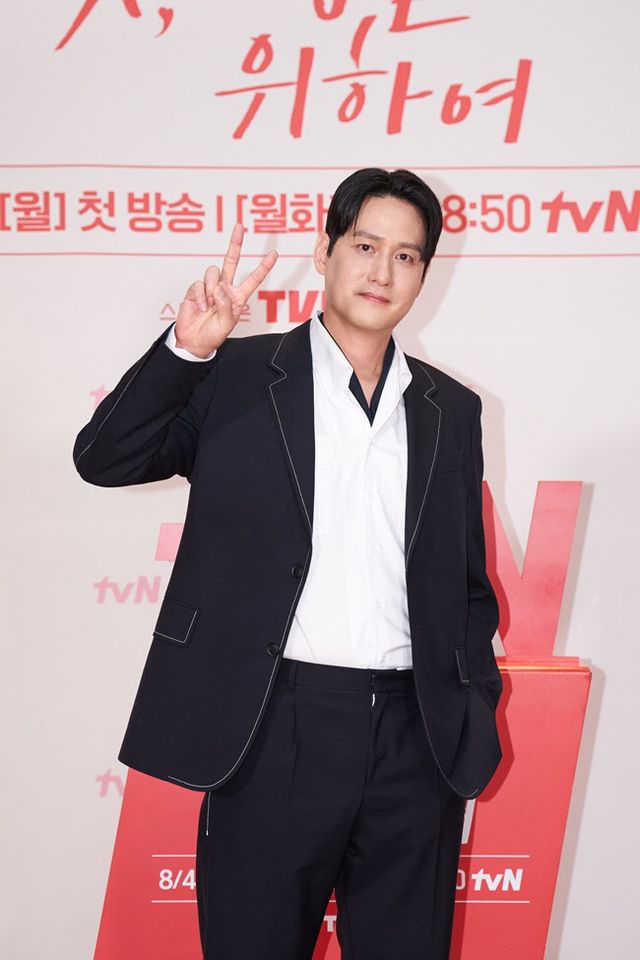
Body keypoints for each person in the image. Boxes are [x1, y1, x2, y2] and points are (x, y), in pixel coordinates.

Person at [74, 167, 502, 959]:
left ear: (424, 275)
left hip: (415, 742)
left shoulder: (452, 409)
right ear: (324, 250)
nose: (382, 271)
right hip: (275, 727)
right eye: (365, 246)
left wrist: (472, 700)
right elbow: (105, 458)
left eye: (406, 256)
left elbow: (467, 585)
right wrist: (185, 351)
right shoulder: (235, 376)